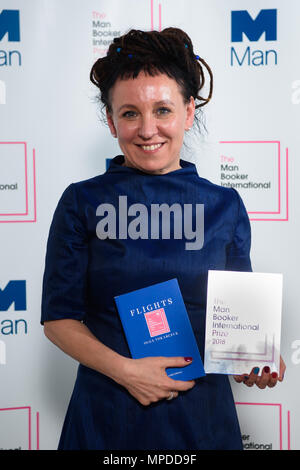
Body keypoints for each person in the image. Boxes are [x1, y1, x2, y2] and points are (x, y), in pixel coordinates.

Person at [41, 27, 285, 450]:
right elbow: (58, 320)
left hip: (202, 421)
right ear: (110, 119)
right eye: (130, 113)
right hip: (107, 418)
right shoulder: (82, 201)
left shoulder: (224, 205)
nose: (147, 129)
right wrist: (127, 371)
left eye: (163, 110)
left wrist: (255, 357)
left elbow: (240, 323)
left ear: (189, 111)